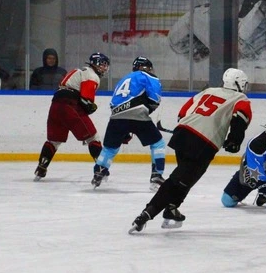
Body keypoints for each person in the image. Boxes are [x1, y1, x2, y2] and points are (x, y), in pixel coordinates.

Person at [129, 68, 252, 233]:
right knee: (179, 179)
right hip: (202, 142)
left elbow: (183, 113)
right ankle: (147, 214)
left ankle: (172, 208)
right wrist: (234, 141)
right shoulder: (240, 98)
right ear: (239, 84)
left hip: (182, 133)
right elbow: (241, 116)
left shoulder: (207, 91)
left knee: (184, 178)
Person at [33, 52, 109, 181]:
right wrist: (90, 108)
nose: (104, 68)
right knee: (93, 138)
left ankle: (41, 168)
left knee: (54, 141)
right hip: (70, 106)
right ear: (95, 64)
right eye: (102, 64)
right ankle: (101, 170)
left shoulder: (77, 71)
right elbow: (86, 101)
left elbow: (64, 88)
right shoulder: (92, 75)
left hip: (55, 105)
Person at [92, 56, 165, 190]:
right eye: (149, 68)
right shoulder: (147, 76)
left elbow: (114, 102)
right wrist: (148, 109)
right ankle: (157, 175)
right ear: (144, 67)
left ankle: (98, 173)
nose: (150, 70)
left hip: (116, 115)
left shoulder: (123, 79)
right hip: (137, 113)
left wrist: (124, 127)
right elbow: (155, 98)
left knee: (110, 148)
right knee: (157, 143)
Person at [221, 117, 266, 210]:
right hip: (250, 174)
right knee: (227, 201)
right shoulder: (257, 144)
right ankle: (260, 193)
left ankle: (264, 196)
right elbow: (255, 169)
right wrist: (264, 186)